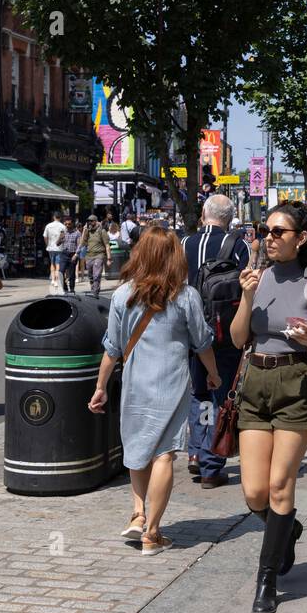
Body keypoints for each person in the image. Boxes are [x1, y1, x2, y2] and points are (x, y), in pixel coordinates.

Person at [230, 201, 307, 613]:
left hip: (295, 384)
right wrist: (247, 294)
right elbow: (239, 338)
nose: (268, 238)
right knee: (254, 492)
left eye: (278, 232)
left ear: (301, 239)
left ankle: (266, 579)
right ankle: (286, 527)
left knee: (279, 487)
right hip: (255, 383)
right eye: (265, 230)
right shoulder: (257, 278)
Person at [89, 227, 220, 554]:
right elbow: (202, 342)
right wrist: (214, 375)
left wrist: (100, 386)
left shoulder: (122, 295)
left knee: (137, 445)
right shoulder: (185, 296)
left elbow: (113, 349)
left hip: (136, 383)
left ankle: (137, 513)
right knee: (163, 453)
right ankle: (152, 532)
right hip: (172, 383)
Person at [182, 194, 250, 488]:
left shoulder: (185, 243)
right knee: (220, 393)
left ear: (203, 213)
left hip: (191, 331)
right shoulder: (238, 245)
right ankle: (211, 464)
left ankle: (196, 452)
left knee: (198, 391)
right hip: (224, 331)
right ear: (230, 217)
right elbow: (248, 288)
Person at [82, 215, 110, 296]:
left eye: (91, 221)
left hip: (99, 255)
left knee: (96, 275)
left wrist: (109, 258)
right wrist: (84, 230)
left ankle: (95, 292)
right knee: (90, 276)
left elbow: (107, 245)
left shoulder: (102, 231)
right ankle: (94, 288)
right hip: (89, 256)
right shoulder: (88, 231)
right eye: (88, 221)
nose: (89, 222)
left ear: (95, 221)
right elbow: (83, 242)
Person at [43, 211, 67, 291]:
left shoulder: (48, 226)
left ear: (54, 217)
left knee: (52, 263)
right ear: (60, 218)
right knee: (58, 264)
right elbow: (64, 237)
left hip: (50, 248)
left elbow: (45, 236)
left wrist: (47, 245)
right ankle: (56, 280)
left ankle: (53, 280)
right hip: (59, 248)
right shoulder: (63, 226)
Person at [61, 217, 82, 293]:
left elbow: (79, 245)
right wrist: (60, 238)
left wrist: (76, 255)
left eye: (69, 224)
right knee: (61, 271)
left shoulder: (77, 233)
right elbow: (57, 243)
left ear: (72, 224)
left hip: (73, 254)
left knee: (71, 273)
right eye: (65, 224)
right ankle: (65, 287)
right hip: (64, 254)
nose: (67, 225)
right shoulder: (63, 232)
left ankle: (72, 289)